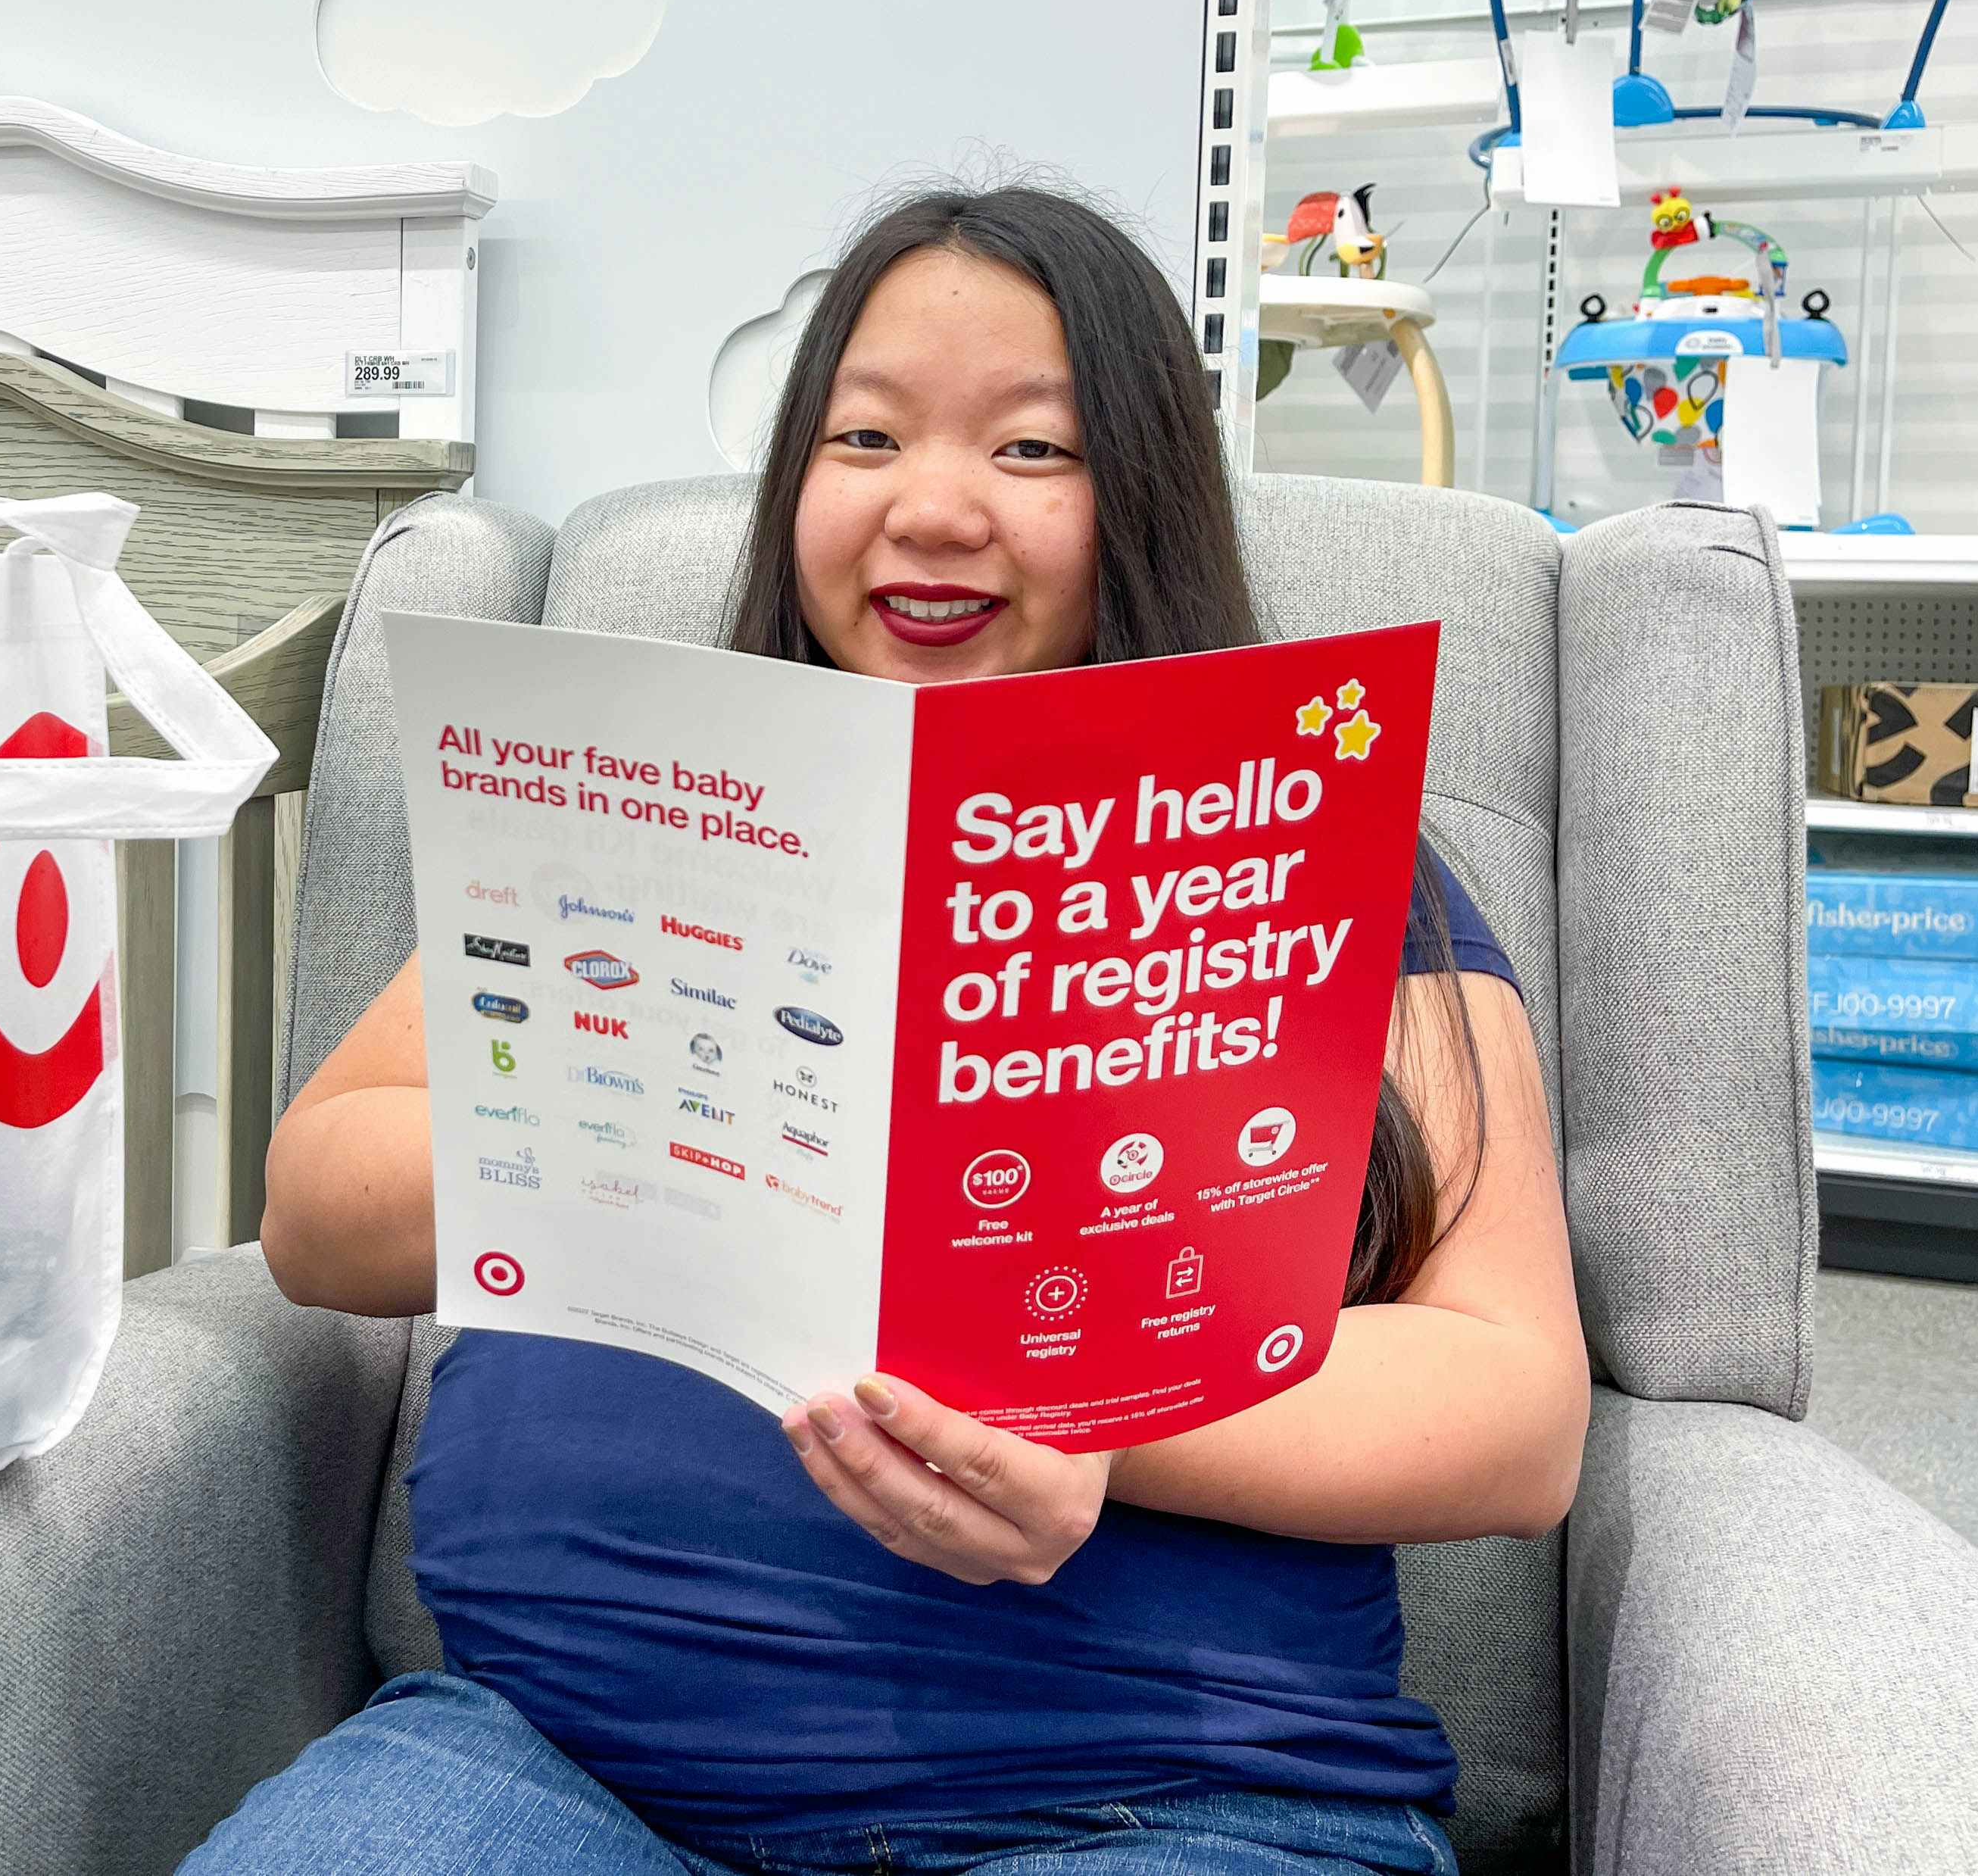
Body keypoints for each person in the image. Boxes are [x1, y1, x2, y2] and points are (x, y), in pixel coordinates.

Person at [192, 185, 1588, 1876]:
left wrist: (1085, 1411)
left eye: (1032, 451)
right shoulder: (635, 821)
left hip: (1156, 1800)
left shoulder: (1321, 859)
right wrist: (666, 1097)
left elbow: (1514, 1412)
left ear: (1139, 496)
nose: (929, 509)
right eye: (863, 436)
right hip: (557, 1763)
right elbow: (316, 1220)